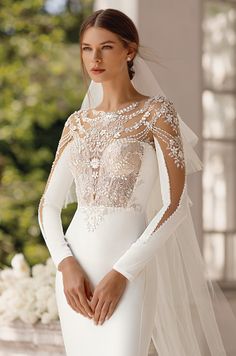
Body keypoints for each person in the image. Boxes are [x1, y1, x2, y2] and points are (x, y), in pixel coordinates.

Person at [38, 8, 236, 356]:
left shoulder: (157, 113)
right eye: (86, 48)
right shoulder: (77, 123)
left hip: (128, 271)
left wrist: (123, 272)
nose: (94, 58)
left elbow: (173, 205)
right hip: (75, 275)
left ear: (129, 50)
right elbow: (48, 206)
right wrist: (64, 264)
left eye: (106, 47)